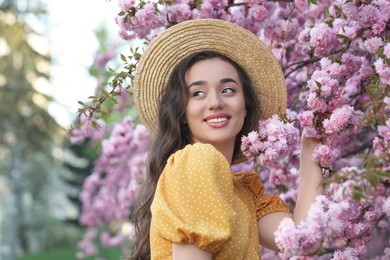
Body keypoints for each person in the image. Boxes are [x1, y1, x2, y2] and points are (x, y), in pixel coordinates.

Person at [130, 19, 323, 259]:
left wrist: (312, 144)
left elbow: (304, 239)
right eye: (198, 93)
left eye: (228, 90)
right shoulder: (197, 161)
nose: (215, 103)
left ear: (245, 108)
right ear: (182, 113)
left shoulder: (243, 192)